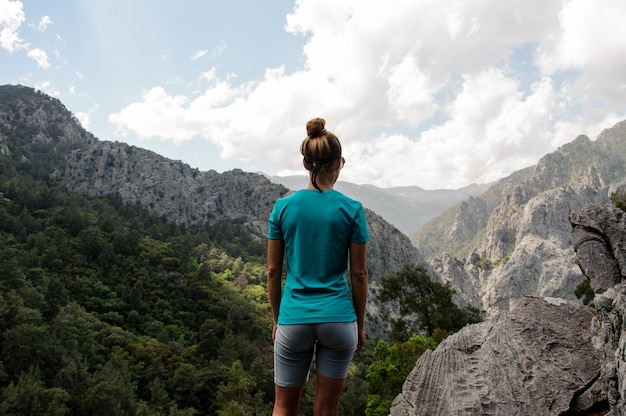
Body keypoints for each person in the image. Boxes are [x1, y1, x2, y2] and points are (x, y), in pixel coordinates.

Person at [267, 117, 370, 415]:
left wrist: (277, 320)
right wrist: (359, 326)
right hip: (338, 319)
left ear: (304, 164)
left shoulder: (283, 207)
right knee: (326, 410)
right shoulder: (352, 209)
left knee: (283, 408)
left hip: (293, 318)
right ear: (339, 162)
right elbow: (359, 274)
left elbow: (273, 272)